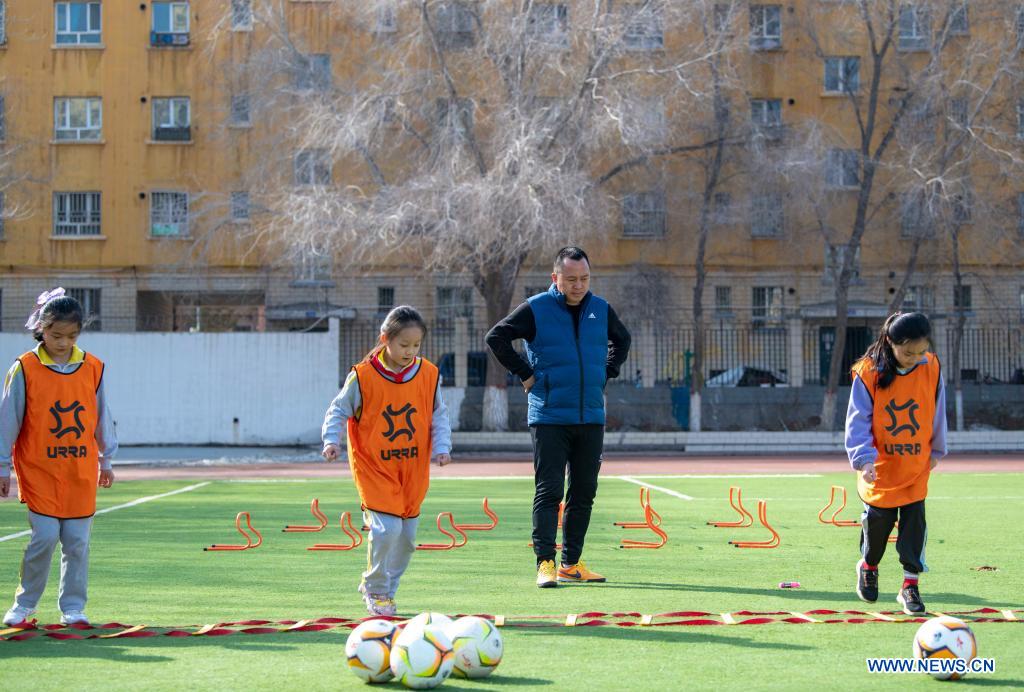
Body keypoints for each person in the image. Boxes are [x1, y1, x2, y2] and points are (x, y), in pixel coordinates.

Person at [485, 247, 631, 588]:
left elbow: (622, 340)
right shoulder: (537, 308)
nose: (578, 286)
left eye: (584, 279)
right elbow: (496, 337)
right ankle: (546, 563)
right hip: (549, 415)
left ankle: (572, 563)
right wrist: (525, 372)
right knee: (549, 491)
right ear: (556, 278)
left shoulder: (600, 309)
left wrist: (606, 372)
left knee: (584, 491)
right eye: (571, 279)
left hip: (591, 416)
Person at [321, 305, 452, 616]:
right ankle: (376, 588)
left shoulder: (429, 374)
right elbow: (338, 410)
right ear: (385, 339)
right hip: (374, 468)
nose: (410, 352)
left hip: (412, 469)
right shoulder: (363, 376)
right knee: (386, 530)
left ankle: (386, 591)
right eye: (403, 345)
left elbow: (438, 415)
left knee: (406, 538)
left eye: (416, 345)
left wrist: (442, 447)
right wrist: (331, 440)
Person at [0, 289, 118, 627]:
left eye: (71, 335)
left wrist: (106, 460)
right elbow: (8, 419)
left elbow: (100, 415)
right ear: (41, 328)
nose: (63, 342)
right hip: (40, 471)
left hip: (80, 470)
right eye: (55, 335)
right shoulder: (24, 368)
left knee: (78, 542)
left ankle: (73, 608)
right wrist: (2, 465)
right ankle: (24, 605)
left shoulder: (92, 367)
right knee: (45, 537)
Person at [846, 311, 947, 615]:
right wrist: (863, 458)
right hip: (879, 469)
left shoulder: (931, 366)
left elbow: (938, 410)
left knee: (914, 527)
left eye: (920, 351)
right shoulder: (868, 372)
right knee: (878, 528)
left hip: (915, 465)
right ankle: (868, 565)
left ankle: (910, 586)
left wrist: (937, 451)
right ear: (890, 342)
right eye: (907, 352)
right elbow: (857, 418)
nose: (914, 358)